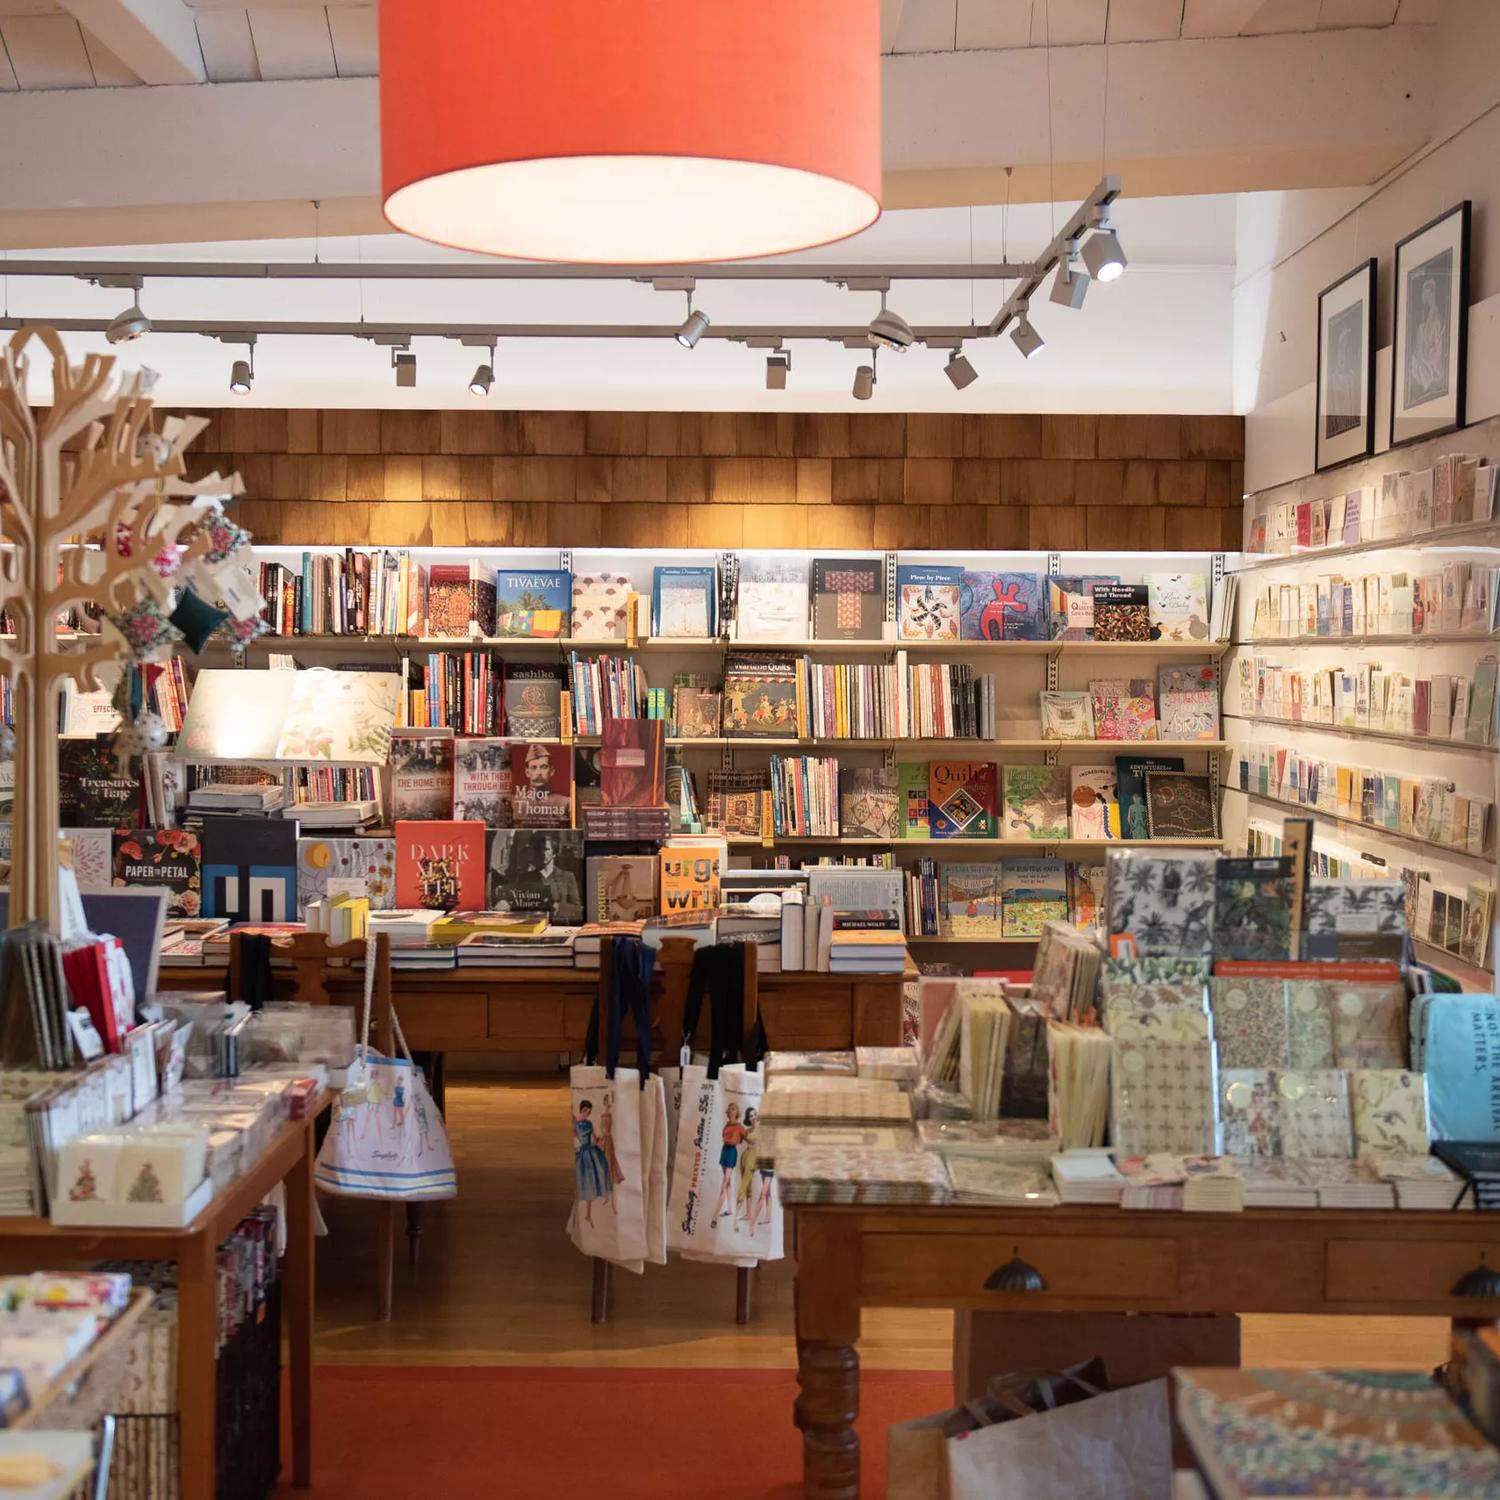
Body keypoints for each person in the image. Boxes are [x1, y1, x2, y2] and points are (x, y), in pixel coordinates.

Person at [573, 1100, 611, 1228]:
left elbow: (595, 1139)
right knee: (586, 1181)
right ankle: (584, 1214)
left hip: (591, 1151)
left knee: (596, 1177)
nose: (587, 1114)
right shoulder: (575, 1124)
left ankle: (588, 1214)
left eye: (588, 1112)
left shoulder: (589, 1123)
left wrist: (600, 1140)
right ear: (580, 1110)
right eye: (585, 1111)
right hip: (583, 1153)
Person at [712, 1102, 746, 1220]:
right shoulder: (726, 1125)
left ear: (737, 1112)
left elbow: (747, 1137)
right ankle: (730, 1209)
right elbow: (724, 1137)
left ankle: (715, 1215)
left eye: (733, 1109)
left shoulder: (739, 1127)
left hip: (732, 1152)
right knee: (728, 1182)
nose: (731, 1110)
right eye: (730, 1109)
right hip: (724, 1151)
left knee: (724, 1182)